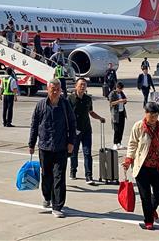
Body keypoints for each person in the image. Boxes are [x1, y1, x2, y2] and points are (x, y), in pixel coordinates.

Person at [123, 102, 159, 231]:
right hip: (142, 167)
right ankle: (148, 221)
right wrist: (128, 159)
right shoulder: (138, 127)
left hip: (157, 167)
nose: (154, 118)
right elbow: (132, 144)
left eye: (156, 115)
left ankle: (151, 209)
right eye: (151, 115)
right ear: (146, 113)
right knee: (145, 196)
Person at [29, 79, 77, 218]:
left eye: (58, 89)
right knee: (46, 175)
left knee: (59, 176)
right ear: (47, 89)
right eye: (53, 89)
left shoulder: (65, 104)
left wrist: (71, 142)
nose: (55, 91)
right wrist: (31, 144)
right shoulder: (40, 105)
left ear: (61, 90)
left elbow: (73, 124)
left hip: (61, 147)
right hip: (44, 146)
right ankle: (47, 197)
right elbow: (34, 125)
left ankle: (57, 206)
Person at [67, 77, 105, 184]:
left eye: (84, 85)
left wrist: (100, 118)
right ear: (76, 86)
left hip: (86, 130)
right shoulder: (70, 99)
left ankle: (89, 176)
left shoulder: (88, 99)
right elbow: (67, 115)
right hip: (75, 131)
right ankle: (73, 171)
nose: (83, 86)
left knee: (87, 153)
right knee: (73, 152)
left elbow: (91, 112)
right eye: (81, 85)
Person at [109, 82, 129, 148]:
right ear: (117, 88)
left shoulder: (121, 93)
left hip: (122, 112)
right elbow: (111, 103)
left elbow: (125, 99)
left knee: (121, 128)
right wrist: (119, 101)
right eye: (120, 89)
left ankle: (119, 142)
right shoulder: (112, 93)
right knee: (116, 129)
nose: (121, 90)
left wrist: (124, 100)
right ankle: (115, 143)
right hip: (115, 114)